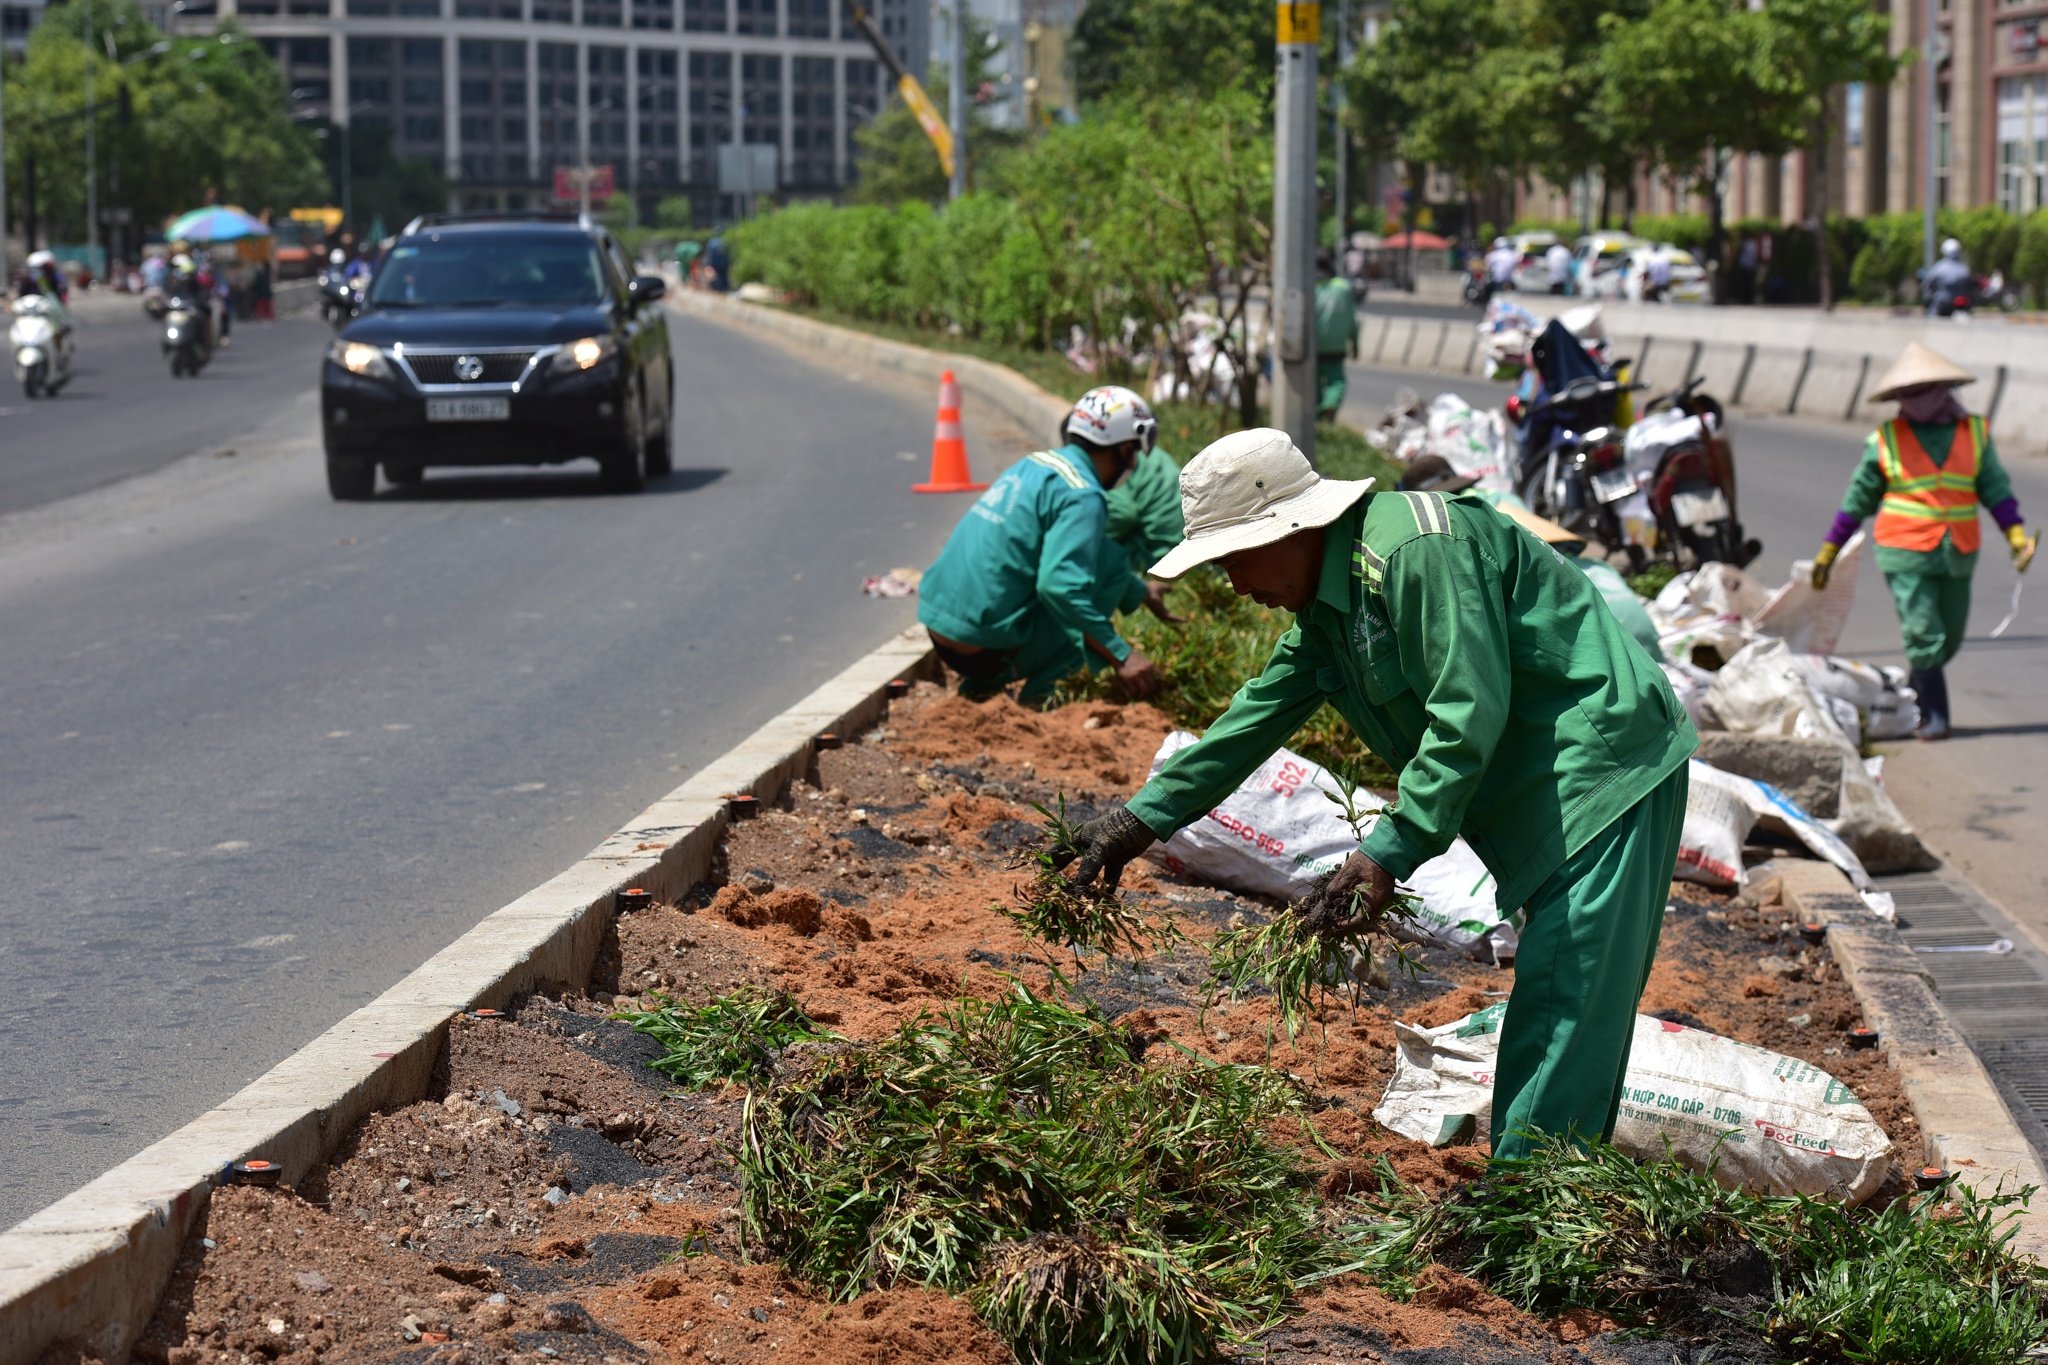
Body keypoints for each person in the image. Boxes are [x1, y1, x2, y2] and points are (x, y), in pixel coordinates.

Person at [1055, 429, 1694, 1160]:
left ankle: (1531, 1216)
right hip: (1544, 800)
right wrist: (1137, 823)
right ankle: (1532, 1203)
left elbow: (1464, 712)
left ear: (1286, 528)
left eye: (1233, 558)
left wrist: (1387, 850)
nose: (1234, 584)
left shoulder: (1411, 553)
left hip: (1600, 773)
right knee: (1557, 1009)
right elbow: (1251, 718)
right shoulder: (1328, 613)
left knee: (1563, 1009)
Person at [1810, 343, 2034, 740]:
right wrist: (1829, 551)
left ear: (1944, 389)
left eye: (1924, 390)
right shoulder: (1887, 439)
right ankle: (1934, 715)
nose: (1914, 400)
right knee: (1923, 630)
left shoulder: (1974, 433)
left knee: (1948, 637)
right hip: (1904, 550)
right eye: (1907, 393)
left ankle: (1911, 693)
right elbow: (1857, 500)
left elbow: (1995, 489)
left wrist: (2016, 536)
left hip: (1958, 551)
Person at [918, 386, 1174, 707]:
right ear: (1124, 449)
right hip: (979, 645)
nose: (1133, 462)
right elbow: (1059, 588)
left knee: (1103, 556)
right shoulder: (1083, 493)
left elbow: (1090, 558)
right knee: (1081, 613)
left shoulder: (1036, 463)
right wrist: (1122, 655)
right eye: (1134, 452)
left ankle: (980, 690)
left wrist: (1140, 592)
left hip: (939, 626)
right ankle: (1037, 703)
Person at [1314, 251, 1360, 421]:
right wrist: (1355, 344)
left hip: (1314, 346)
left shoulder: (1310, 287)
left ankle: (1319, 417)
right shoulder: (1343, 287)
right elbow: (1352, 319)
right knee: (1336, 383)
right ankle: (1330, 405)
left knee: (1314, 384)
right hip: (1337, 346)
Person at [1921, 237, 1975, 317]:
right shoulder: (1964, 268)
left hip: (1941, 302)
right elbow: (1970, 285)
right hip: (1960, 303)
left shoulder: (1939, 267)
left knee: (1931, 315)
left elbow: (1928, 283)